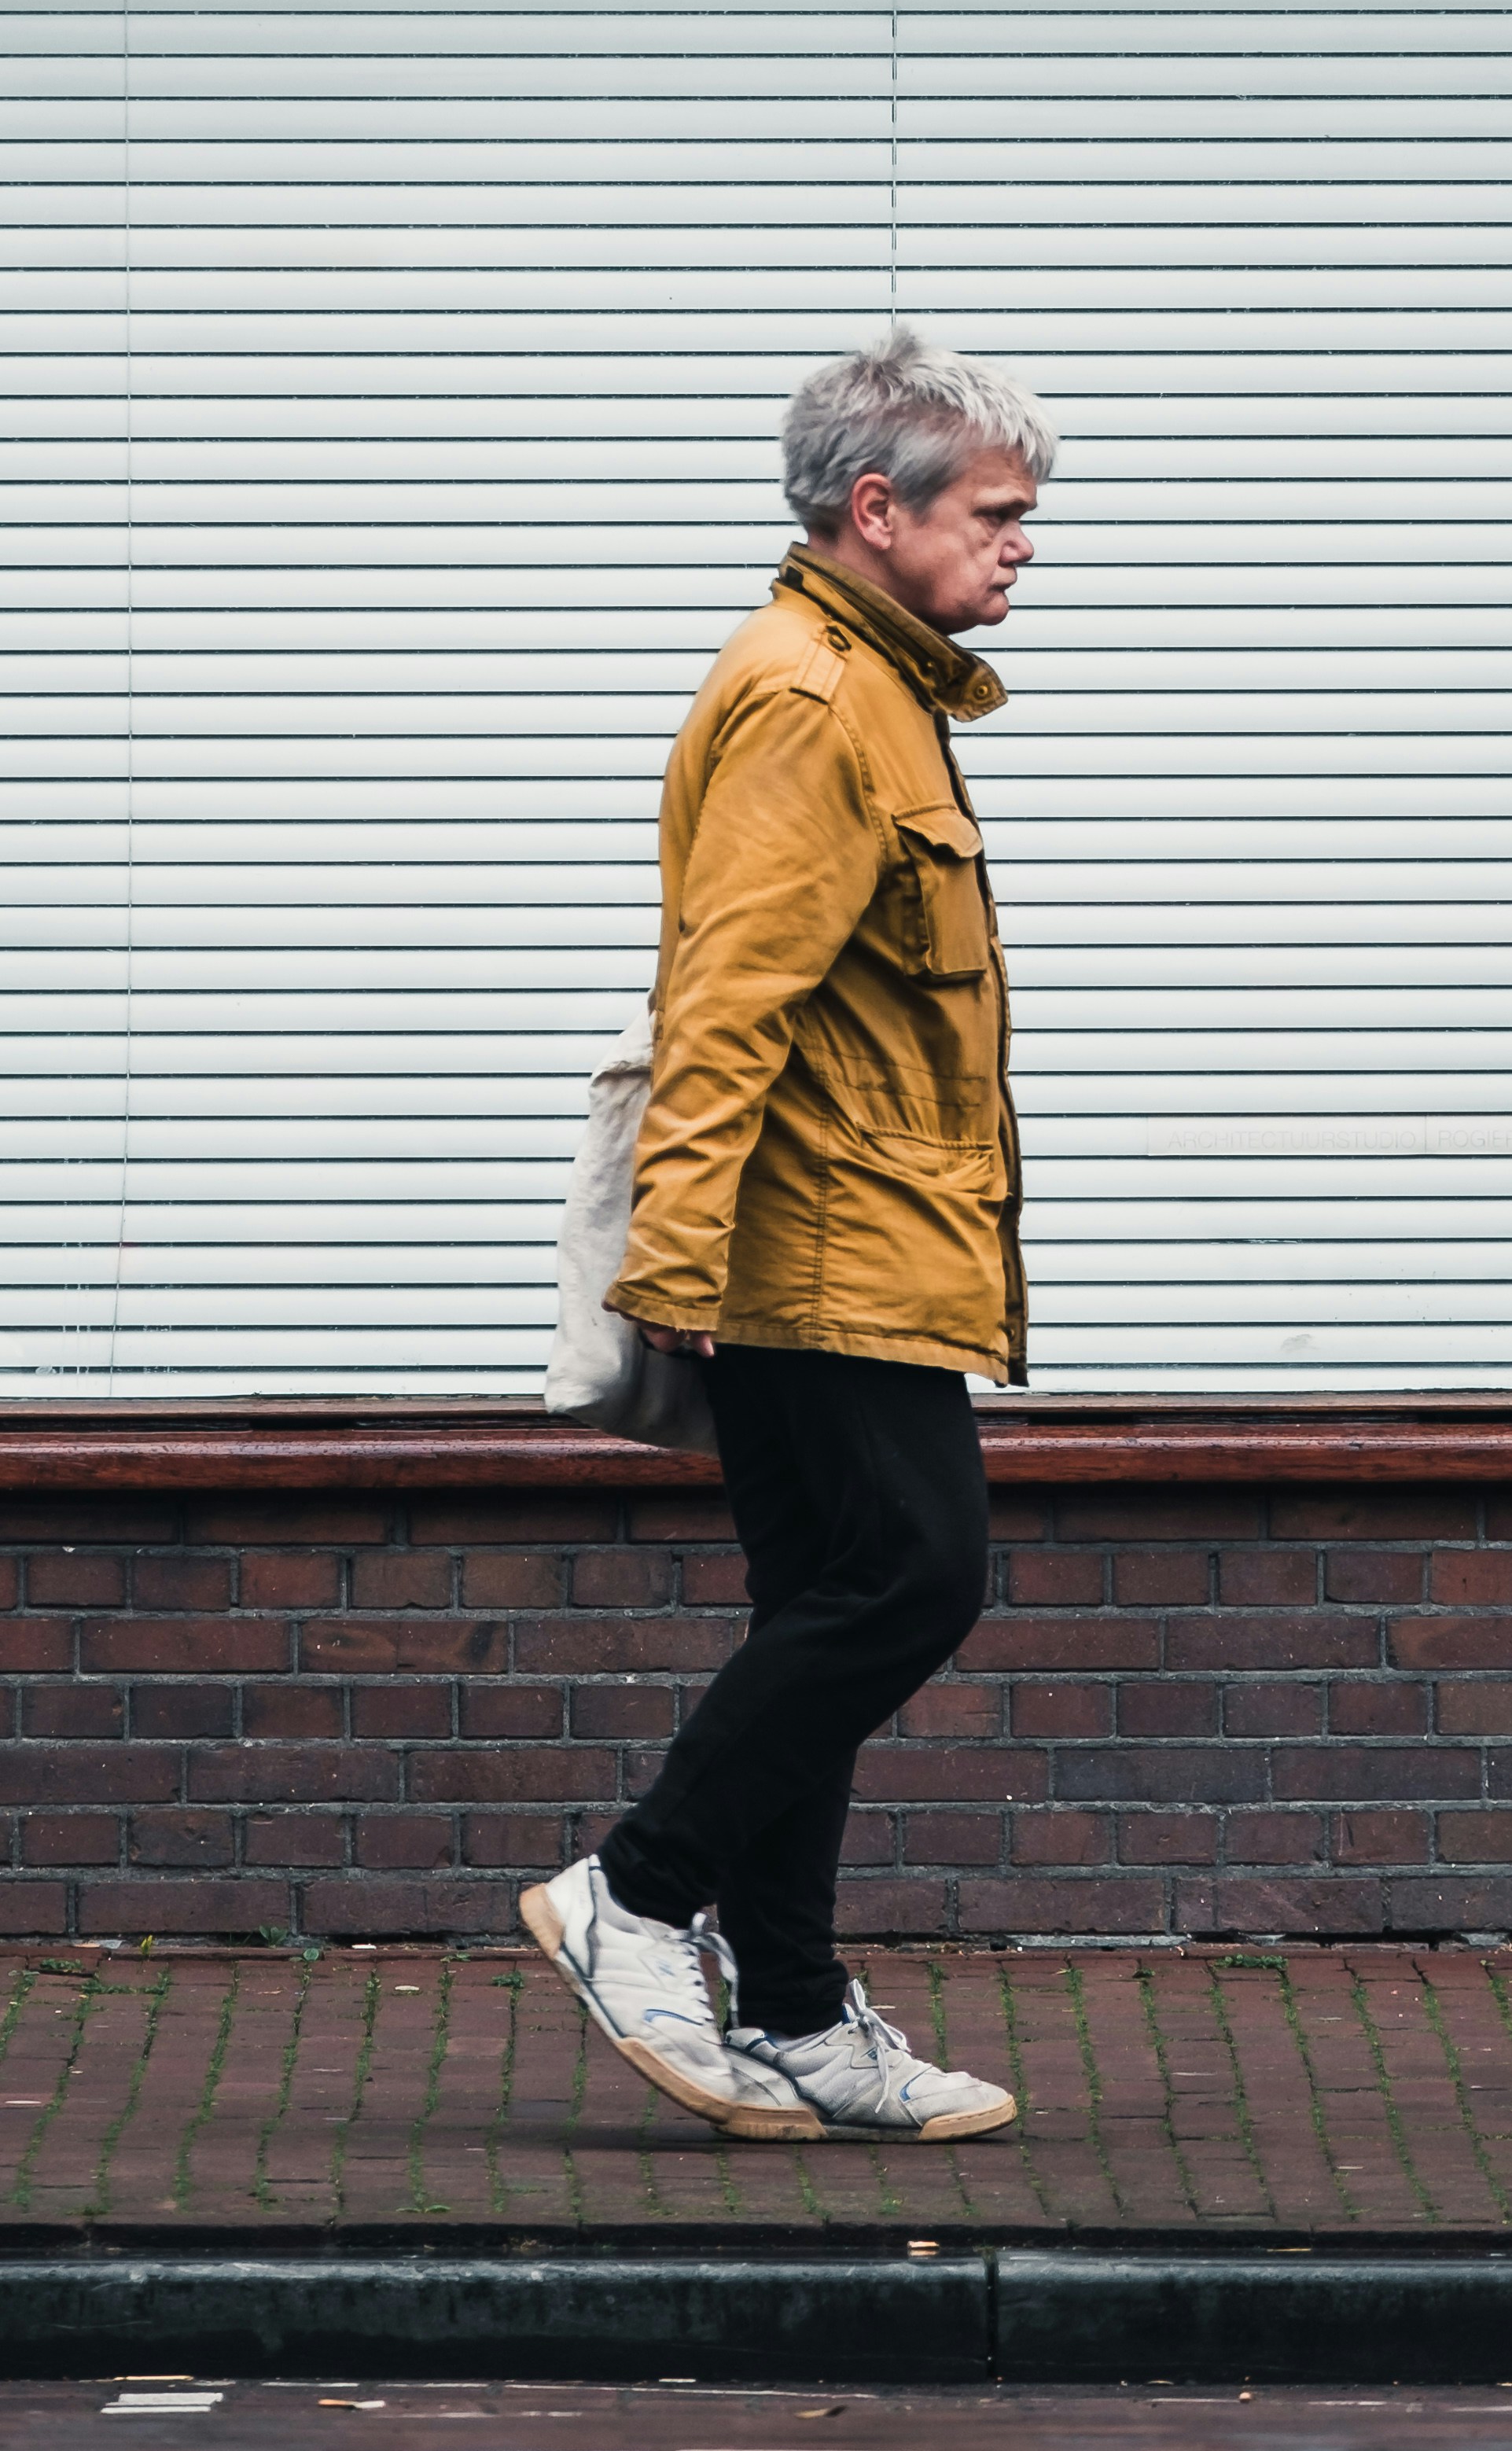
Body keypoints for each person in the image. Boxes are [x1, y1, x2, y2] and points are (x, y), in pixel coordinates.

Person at [521, 329, 1052, 2144]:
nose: (1024, 542)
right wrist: (675, 1272)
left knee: (829, 1601)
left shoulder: (878, 689)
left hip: (855, 1237)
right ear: (873, 507)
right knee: (911, 1579)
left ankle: (805, 2010)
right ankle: (638, 1891)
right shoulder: (814, 699)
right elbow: (729, 1003)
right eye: (994, 510)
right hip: (810, 1253)